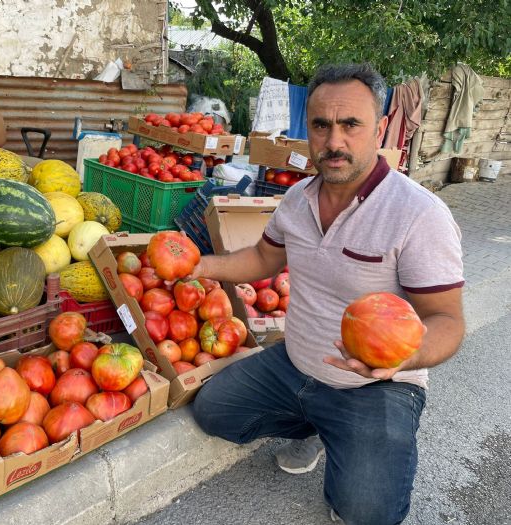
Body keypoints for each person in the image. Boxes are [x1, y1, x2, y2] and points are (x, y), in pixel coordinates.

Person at [189, 63, 465, 525]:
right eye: (321, 125)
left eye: (351, 125)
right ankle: (317, 426)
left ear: (378, 129)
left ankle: (342, 432)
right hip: (293, 366)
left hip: (375, 387)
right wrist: (201, 266)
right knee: (215, 412)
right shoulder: (296, 199)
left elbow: (448, 321)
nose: (334, 141)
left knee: (366, 511)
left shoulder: (419, 215)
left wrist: (399, 361)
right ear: (308, 131)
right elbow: (263, 259)